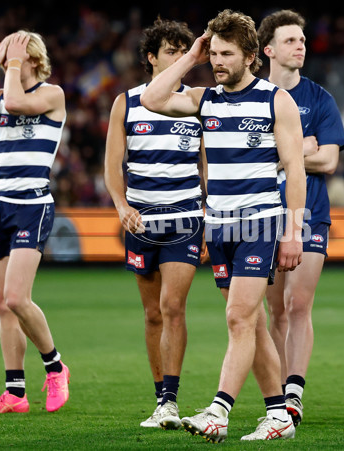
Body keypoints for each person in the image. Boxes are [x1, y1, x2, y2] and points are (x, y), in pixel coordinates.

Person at [141, 9, 306, 442]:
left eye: (226, 53)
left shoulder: (275, 100)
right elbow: (152, 99)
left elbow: (295, 168)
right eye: (213, 53)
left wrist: (293, 232)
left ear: (251, 56)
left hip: (259, 224)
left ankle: (219, 410)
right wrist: (190, 56)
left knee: (237, 318)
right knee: (247, 325)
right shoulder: (204, 99)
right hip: (218, 226)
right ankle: (279, 415)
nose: (217, 61)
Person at [0, 31, 70, 413]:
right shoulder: (5, 95)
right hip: (0, 204)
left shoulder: (51, 94)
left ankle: (55, 368)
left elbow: (19, 101)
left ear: (32, 59)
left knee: (18, 297)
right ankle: (15, 393)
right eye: (5, 62)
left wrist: (15, 60)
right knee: (2, 303)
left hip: (32, 205)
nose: (7, 66)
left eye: (12, 60)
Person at [104, 18, 204, 430]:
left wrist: (211, 212)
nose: (180, 57)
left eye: (185, 51)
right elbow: (112, 167)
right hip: (142, 223)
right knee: (152, 315)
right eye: (171, 51)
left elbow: (206, 163)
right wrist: (120, 205)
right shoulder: (126, 103)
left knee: (172, 307)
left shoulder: (197, 99)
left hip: (185, 218)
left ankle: (170, 401)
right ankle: (159, 396)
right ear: (151, 57)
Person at [257, 9, 344, 427]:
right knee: (273, 309)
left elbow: (329, 160)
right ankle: (276, 398)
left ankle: (293, 394)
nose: (301, 47)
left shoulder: (319, 98)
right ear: (269, 50)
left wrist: (284, 159)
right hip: (261, 214)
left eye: (303, 40)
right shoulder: (253, 96)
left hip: (310, 212)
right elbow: (247, 160)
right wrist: (298, 152)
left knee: (297, 304)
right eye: (292, 41)